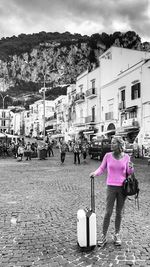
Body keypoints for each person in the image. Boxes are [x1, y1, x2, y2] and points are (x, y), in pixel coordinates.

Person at [90, 136, 134, 247]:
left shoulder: (126, 157)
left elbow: (129, 172)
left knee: (119, 213)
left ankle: (117, 234)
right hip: (111, 187)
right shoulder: (108, 156)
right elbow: (101, 168)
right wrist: (95, 173)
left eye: (114, 143)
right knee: (108, 212)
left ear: (119, 145)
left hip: (122, 188)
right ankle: (103, 236)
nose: (111, 145)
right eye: (111, 143)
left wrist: (131, 167)